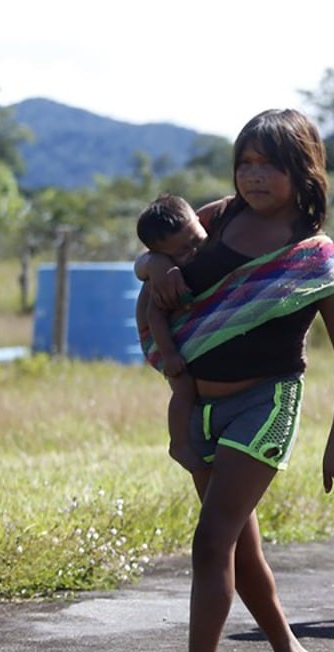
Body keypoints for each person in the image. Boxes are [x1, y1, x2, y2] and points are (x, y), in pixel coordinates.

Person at [136, 109, 334, 652]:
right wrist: (154, 268)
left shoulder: (312, 254)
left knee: (211, 541)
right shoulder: (222, 215)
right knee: (237, 543)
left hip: (264, 404)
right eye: (246, 162)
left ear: (303, 170)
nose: (255, 176)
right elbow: (152, 257)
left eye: (271, 164)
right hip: (197, 403)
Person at [134, 193, 208, 473]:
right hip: (158, 340)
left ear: (199, 222)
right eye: (181, 252)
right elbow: (155, 315)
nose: (194, 252)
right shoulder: (166, 278)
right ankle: (179, 444)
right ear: (160, 255)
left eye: (197, 240)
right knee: (184, 387)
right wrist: (169, 354)